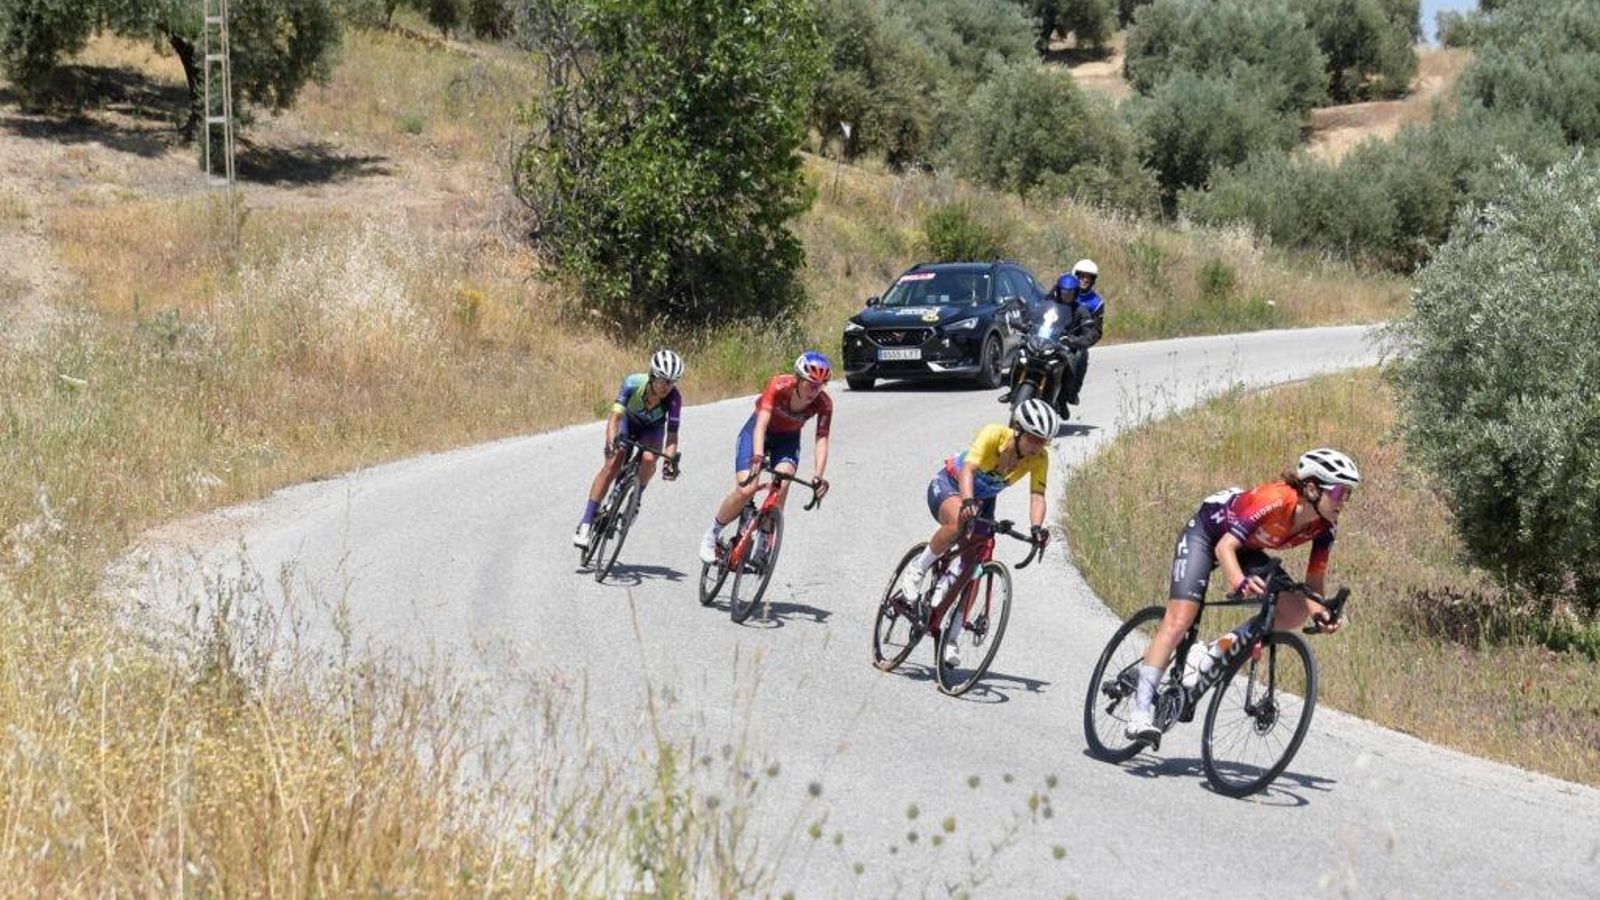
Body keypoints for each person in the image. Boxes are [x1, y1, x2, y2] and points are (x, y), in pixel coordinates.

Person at [1123, 448, 1361, 743]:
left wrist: (1321, 613)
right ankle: (1140, 715)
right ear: (1312, 488)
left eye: (1348, 494)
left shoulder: (1326, 526)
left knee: (1293, 610)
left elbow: (1314, 580)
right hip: (1207, 534)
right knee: (1180, 619)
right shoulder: (1276, 499)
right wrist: (1238, 582)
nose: (1343, 501)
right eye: (1339, 493)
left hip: (1246, 549)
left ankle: (1213, 651)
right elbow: (1224, 547)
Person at [897, 398, 1058, 666]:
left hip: (983, 501)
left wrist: (1037, 528)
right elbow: (968, 470)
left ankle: (952, 636)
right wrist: (968, 501)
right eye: (1033, 439)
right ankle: (917, 569)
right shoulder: (993, 434)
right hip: (951, 484)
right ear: (1018, 430)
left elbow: (1037, 496)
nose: (1037, 446)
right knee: (958, 522)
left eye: (1044, 441)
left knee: (977, 563)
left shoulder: (1039, 458)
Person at [698, 352, 834, 564]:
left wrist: (818, 476)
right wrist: (758, 456)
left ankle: (765, 536)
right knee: (746, 489)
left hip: (788, 439)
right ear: (798, 379)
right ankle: (712, 533)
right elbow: (761, 424)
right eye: (810, 384)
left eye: (820, 385)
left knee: (784, 481)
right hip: (758, 432)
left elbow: (822, 438)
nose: (814, 391)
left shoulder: (824, 403)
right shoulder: (778, 385)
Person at [573, 349, 684, 549]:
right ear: (652, 375)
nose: (666, 387)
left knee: (649, 459)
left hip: (652, 429)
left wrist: (669, 460)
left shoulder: (674, 398)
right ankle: (586, 523)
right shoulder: (632, 383)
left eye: (672, 382)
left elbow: (672, 435)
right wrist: (611, 443)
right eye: (662, 380)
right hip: (627, 422)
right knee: (613, 463)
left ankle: (636, 496)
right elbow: (615, 418)